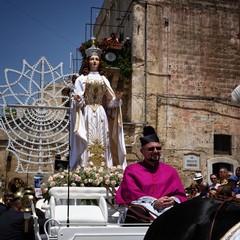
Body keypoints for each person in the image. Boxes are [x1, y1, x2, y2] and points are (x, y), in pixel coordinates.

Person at [70, 39, 126, 169]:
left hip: (101, 113)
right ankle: (86, 167)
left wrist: (116, 100)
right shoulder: (81, 79)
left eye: (97, 59)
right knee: (88, 138)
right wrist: (78, 99)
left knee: (103, 138)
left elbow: (110, 104)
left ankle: (103, 167)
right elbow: (79, 102)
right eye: (92, 59)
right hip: (88, 112)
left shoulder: (104, 80)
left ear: (100, 62)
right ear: (87, 61)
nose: (94, 61)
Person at [115, 126, 187, 223]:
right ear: (142, 151)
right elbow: (130, 194)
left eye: (158, 148)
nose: (155, 151)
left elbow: (180, 194)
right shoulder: (131, 170)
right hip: (142, 211)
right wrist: (153, 202)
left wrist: (173, 200)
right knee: (137, 211)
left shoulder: (171, 171)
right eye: (151, 149)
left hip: (167, 210)